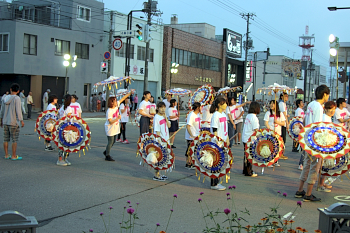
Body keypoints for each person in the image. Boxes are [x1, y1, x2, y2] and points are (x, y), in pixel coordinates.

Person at [295, 85, 330, 202]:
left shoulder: (310, 104)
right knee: (314, 167)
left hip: (307, 139)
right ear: (324, 94)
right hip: (315, 140)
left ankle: (300, 190)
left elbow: (305, 121)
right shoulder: (319, 108)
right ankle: (309, 194)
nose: (328, 97)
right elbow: (318, 126)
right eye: (328, 95)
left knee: (306, 165)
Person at [103, 92, 132, 161]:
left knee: (113, 141)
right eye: (115, 101)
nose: (117, 101)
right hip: (110, 128)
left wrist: (130, 93)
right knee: (110, 142)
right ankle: (107, 156)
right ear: (112, 102)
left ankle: (106, 151)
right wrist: (117, 118)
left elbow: (123, 98)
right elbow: (110, 121)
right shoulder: (109, 111)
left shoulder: (116, 106)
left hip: (115, 127)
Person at [209, 96, 230, 190]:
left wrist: (227, 138)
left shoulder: (224, 115)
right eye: (224, 103)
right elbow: (214, 129)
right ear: (219, 105)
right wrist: (217, 141)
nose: (226, 104)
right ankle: (214, 183)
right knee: (215, 163)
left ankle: (217, 182)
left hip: (223, 142)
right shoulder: (216, 115)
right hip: (216, 142)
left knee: (220, 162)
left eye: (226, 103)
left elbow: (225, 129)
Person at [0, 83, 24, 160]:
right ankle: (14, 155)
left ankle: (6, 155)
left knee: (5, 138)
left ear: (10, 89)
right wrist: (21, 120)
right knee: (14, 139)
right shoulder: (17, 99)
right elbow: (18, 110)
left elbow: (2, 110)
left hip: (5, 121)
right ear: (18, 91)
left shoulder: (5, 98)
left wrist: (1, 119)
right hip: (13, 122)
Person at [317, 100, 337, 193]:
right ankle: (320, 185)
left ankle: (322, 183)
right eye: (331, 109)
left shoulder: (328, 118)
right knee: (323, 165)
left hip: (328, 144)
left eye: (334, 109)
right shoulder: (325, 118)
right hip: (324, 144)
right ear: (326, 109)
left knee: (326, 165)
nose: (333, 111)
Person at [152, 101, 171, 181]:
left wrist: (166, 117)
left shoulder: (163, 116)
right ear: (157, 108)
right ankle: (156, 175)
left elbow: (169, 126)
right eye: (161, 108)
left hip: (166, 139)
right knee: (158, 158)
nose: (163, 109)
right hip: (160, 140)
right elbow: (157, 131)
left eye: (164, 107)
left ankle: (160, 174)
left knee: (163, 157)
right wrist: (159, 141)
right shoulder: (156, 117)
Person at [264, 100, 286, 168]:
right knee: (270, 147)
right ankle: (270, 161)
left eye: (273, 104)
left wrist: (277, 122)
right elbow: (266, 122)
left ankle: (275, 161)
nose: (271, 105)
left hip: (278, 133)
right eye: (270, 103)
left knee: (277, 147)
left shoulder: (280, 114)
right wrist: (270, 130)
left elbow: (283, 123)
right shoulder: (268, 113)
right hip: (271, 133)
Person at [242, 101, 260, 177]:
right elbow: (256, 130)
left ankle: (245, 170)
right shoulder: (254, 118)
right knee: (250, 155)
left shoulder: (248, 115)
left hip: (245, 137)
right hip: (250, 138)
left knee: (246, 155)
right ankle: (249, 171)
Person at [56, 95, 73, 166]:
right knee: (67, 143)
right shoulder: (69, 108)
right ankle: (62, 159)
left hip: (60, 126)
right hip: (67, 127)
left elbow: (58, 116)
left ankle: (62, 158)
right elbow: (69, 118)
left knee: (61, 143)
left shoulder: (61, 108)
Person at [185, 102, 201, 169]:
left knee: (195, 150)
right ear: (197, 108)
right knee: (189, 149)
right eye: (200, 107)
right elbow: (188, 126)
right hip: (191, 136)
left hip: (197, 134)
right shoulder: (191, 115)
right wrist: (192, 135)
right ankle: (188, 163)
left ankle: (192, 162)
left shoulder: (198, 115)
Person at [278, 93, 289, 160]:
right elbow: (283, 114)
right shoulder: (281, 104)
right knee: (282, 139)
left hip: (283, 122)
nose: (287, 97)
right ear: (282, 97)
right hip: (282, 123)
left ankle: (281, 152)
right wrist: (287, 123)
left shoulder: (283, 103)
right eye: (285, 96)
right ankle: (280, 153)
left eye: (287, 96)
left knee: (283, 139)